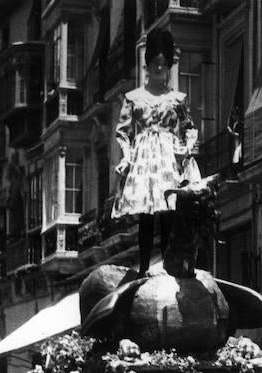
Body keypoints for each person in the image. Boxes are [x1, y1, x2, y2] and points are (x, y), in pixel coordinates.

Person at [113, 27, 198, 276]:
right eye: (154, 63)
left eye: (163, 63)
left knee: (168, 212)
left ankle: (167, 262)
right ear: (147, 65)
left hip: (167, 160)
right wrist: (127, 157)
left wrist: (185, 150)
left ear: (169, 65)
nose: (159, 68)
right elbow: (123, 132)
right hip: (144, 162)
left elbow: (189, 129)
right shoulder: (134, 98)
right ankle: (143, 265)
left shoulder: (177, 100)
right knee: (146, 217)